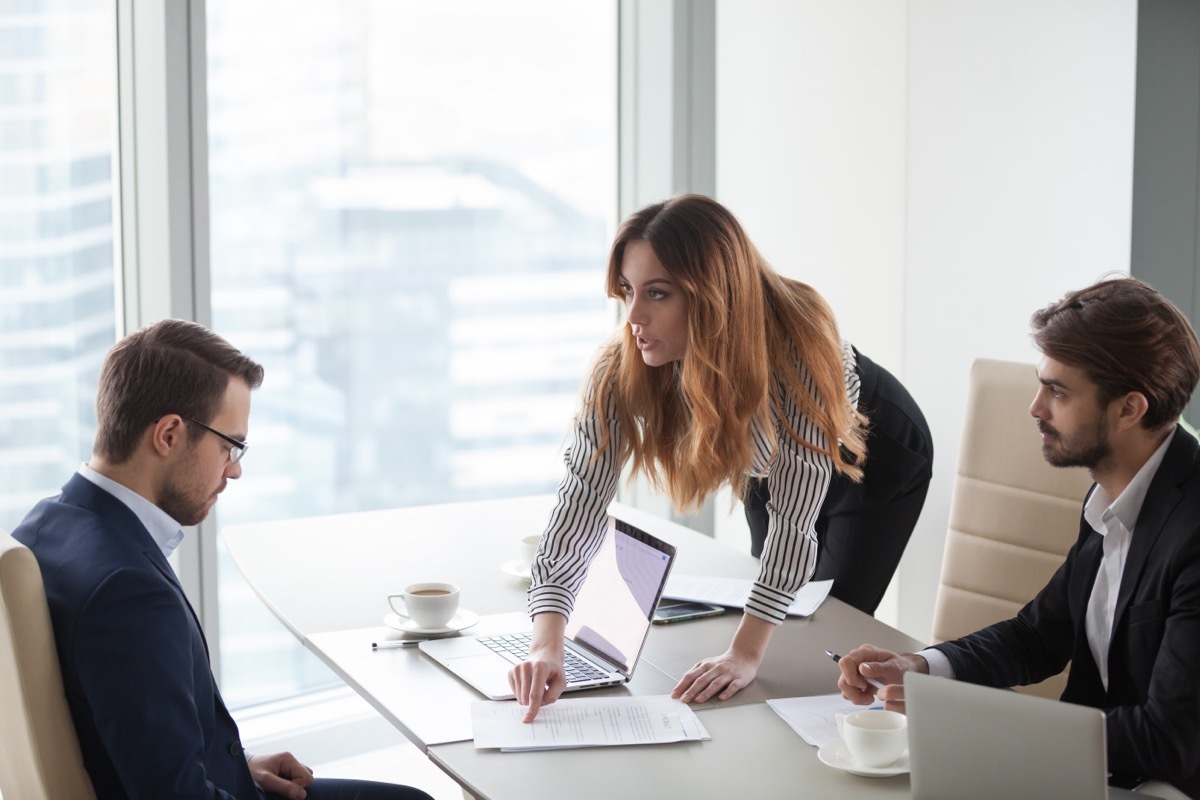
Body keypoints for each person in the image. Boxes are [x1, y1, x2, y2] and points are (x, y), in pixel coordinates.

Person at [509, 194, 933, 721]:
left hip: (872, 452)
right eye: (627, 291)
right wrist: (546, 643)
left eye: (657, 294)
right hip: (773, 450)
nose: (634, 317)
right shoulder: (621, 368)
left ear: (712, 294)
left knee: (827, 622)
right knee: (777, 602)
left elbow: (793, 527)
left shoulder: (797, 354)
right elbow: (579, 507)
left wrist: (744, 653)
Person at [10, 320, 432, 800]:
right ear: (168, 434)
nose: (235, 469)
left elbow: (125, 734)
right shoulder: (128, 591)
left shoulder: (45, 527)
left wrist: (239, 763)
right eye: (229, 445)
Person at [836, 277, 1200, 797]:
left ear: (1129, 409)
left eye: (1057, 391)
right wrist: (920, 669)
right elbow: (1038, 636)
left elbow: (1169, 739)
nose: (1034, 407)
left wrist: (973, 722)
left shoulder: (1192, 531)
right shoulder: (1111, 500)